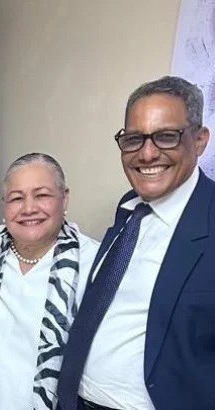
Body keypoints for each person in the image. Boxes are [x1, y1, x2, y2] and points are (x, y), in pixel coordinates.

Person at [57, 76, 215, 410]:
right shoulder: (130, 209)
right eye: (134, 139)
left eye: (166, 136)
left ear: (200, 140)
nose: (147, 153)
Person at [0, 153, 99, 410]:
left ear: (64, 198)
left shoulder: (94, 261)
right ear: (4, 204)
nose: (29, 209)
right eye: (17, 198)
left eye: (42, 195)